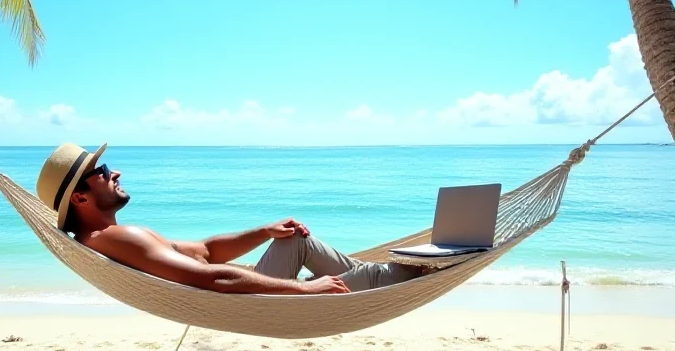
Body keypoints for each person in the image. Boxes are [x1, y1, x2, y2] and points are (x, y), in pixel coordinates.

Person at [36, 143, 423, 296]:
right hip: (253, 301)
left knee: (294, 240)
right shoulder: (119, 237)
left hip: (247, 294)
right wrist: (305, 290)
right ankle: (412, 272)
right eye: (101, 170)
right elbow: (210, 276)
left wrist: (264, 231)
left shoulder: (112, 237)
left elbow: (206, 253)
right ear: (81, 197)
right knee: (390, 277)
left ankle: (387, 273)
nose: (114, 172)